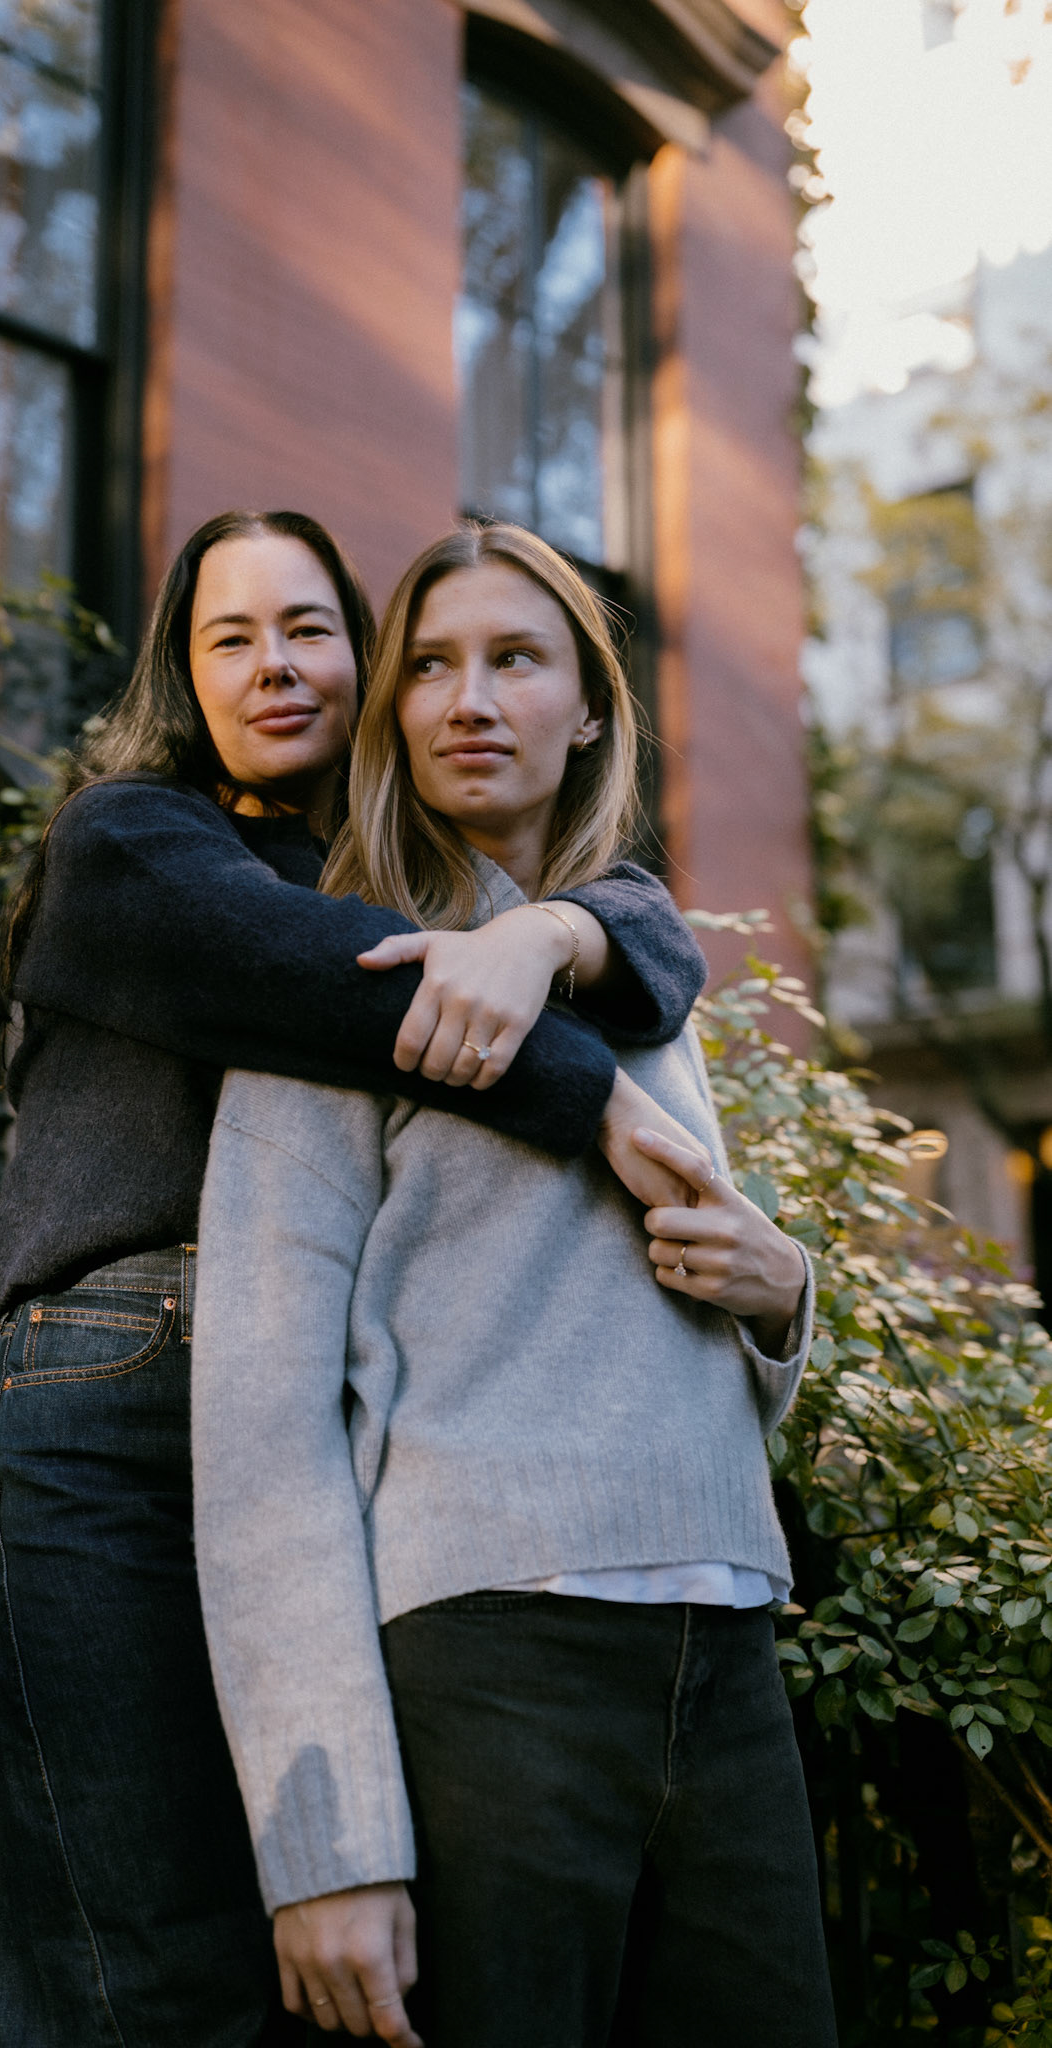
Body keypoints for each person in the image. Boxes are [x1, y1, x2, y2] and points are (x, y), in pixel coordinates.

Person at [0, 507, 710, 2048]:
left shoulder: (391, 869)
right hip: (120, 1377)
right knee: (137, 1935)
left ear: (360, 658)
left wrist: (557, 929)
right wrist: (589, 1090)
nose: (275, 666)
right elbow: (338, 985)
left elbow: (655, 932)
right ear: (181, 672)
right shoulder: (132, 839)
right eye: (227, 636)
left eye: (308, 627)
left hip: (330, 1400)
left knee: (322, 1928)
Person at [192, 521, 837, 2048]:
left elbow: (682, 1306)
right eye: (427, 665)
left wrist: (778, 1297)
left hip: (729, 1646)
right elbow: (261, 1425)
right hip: (490, 1669)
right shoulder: (344, 977)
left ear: (590, 708)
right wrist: (324, 1842)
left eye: (514, 660)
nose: (466, 700)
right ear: (392, 713)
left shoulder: (642, 982)